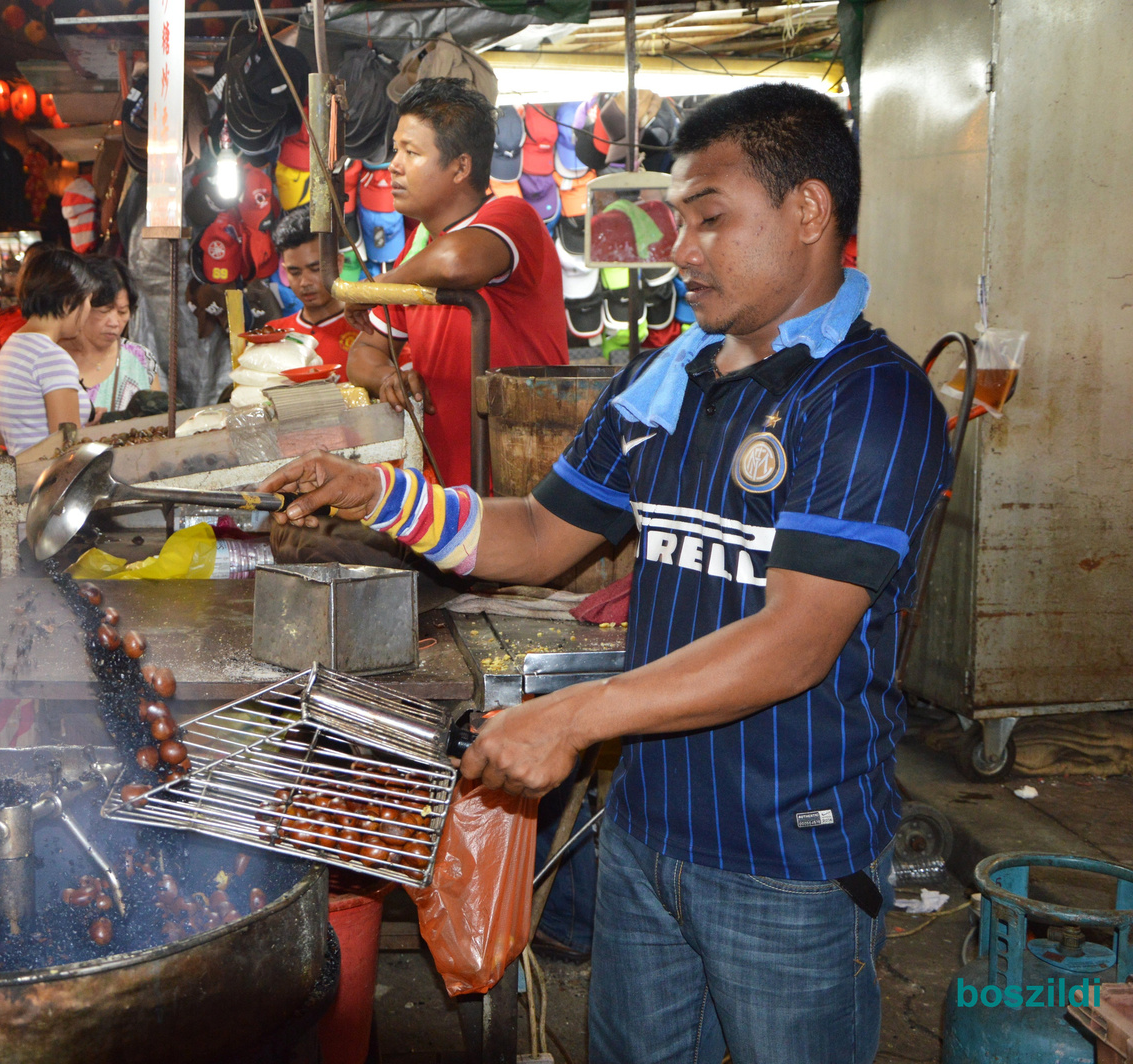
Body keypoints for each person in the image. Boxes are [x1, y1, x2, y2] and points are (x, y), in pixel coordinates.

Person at [260, 84, 953, 1064]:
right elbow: (539, 534)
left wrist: (573, 715)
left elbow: (795, 641)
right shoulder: (661, 380)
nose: (680, 249)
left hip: (789, 858)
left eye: (711, 220)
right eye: (679, 221)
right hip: (646, 833)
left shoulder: (868, 400)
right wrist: (379, 493)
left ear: (808, 212)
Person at [342, 79, 568, 486]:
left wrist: (379, 286)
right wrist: (388, 379)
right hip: (454, 484)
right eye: (396, 150)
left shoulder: (512, 217)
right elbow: (363, 356)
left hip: (526, 477)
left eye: (411, 152)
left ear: (461, 167)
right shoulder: (419, 245)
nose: (393, 165)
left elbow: (457, 262)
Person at [0, 247, 93, 498]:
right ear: (68, 302)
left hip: (22, 490)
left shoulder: (10, 348)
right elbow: (67, 450)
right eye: (88, 301)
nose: (88, 312)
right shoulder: (51, 357)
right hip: (49, 499)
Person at [63, 255, 162, 422]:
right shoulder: (56, 360)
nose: (114, 323)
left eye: (122, 312)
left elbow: (159, 422)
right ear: (81, 306)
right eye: (104, 311)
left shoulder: (141, 359)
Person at [263, 205, 360, 372]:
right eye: (295, 272)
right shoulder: (274, 335)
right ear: (285, 271)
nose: (304, 282)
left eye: (315, 269)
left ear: (339, 263)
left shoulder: (369, 328)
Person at [0, 240, 56, 383]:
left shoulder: (67, 321)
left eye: (41, 267)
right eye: (29, 266)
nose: (34, 274)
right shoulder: (4, 320)